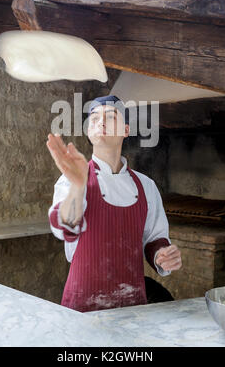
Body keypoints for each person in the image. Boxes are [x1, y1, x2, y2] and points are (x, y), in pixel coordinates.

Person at [46, 95, 181, 313]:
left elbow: (155, 238)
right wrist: (79, 186)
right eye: (94, 119)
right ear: (89, 132)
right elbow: (65, 227)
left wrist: (162, 255)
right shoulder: (70, 181)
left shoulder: (146, 186)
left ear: (126, 130)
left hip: (133, 307)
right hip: (83, 308)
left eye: (110, 116)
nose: (101, 122)